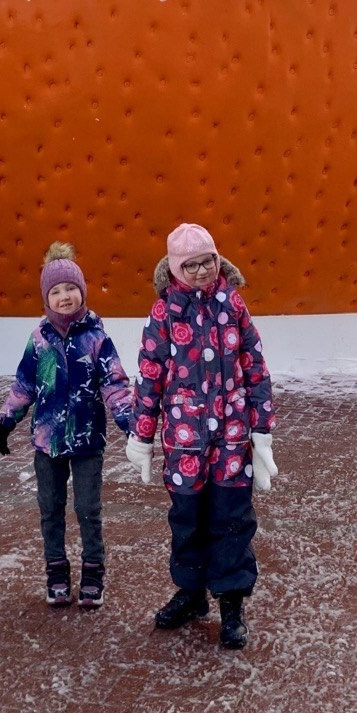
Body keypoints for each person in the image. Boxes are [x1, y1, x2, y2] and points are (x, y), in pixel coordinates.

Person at [125, 222, 276, 650]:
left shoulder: (233, 304)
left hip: (231, 438)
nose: (200, 271)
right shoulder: (164, 313)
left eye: (206, 261)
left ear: (217, 259)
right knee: (187, 522)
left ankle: (231, 604)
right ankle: (191, 594)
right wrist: (142, 435)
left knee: (232, 522)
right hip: (184, 440)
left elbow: (256, 367)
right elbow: (150, 376)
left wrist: (261, 429)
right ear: (174, 269)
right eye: (189, 265)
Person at [0, 241, 132, 608]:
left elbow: (114, 383)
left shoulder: (96, 337)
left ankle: (93, 572)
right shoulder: (38, 340)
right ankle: (56, 572)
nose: (65, 296)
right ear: (46, 298)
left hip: (88, 441)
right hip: (47, 442)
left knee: (88, 509)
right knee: (50, 508)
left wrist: (129, 421)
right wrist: (8, 419)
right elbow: (25, 383)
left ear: (82, 291)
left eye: (71, 288)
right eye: (56, 291)